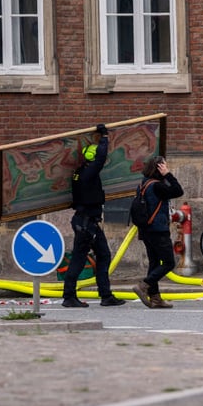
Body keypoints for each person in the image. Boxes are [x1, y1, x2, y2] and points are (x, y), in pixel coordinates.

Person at [61, 124, 126, 308]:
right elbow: (101, 158)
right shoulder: (88, 173)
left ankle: (105, 295)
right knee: (79, 259)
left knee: (103, 255)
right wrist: (104, 136)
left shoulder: (80, 172)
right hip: (86, 223)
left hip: (87, 222)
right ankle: (69, 296)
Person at [132, 155, 185, 308]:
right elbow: (178, 191)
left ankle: (155, 298)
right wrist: (168, 174)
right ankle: (144, 285)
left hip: (145, 230)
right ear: (159, 168)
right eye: (164, 166)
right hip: (158, 230)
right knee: (169, 263)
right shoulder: (157, 186)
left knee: (154, 263)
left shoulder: (143, 184)